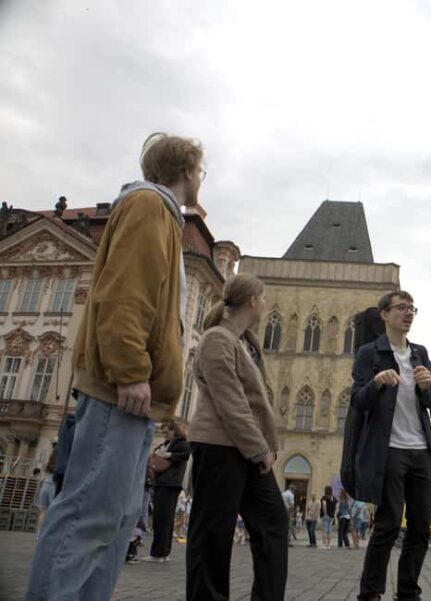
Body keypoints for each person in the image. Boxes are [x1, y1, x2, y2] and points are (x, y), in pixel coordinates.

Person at [25, 132, 201, 601]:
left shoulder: (160, 212)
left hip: (135, 398)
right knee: (89, 515)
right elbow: (125, 293)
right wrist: (130, 370)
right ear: (186, 170)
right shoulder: (147, 206)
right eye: (199, 170)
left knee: (115, 522)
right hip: (119, 390)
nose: (200, 178)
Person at [186, 274, 288, 601]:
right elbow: (230, 402)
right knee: (213, 534)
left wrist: (262, 447)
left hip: (246, 449)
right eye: (264, 298)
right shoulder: (217, 338)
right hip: (219, 446)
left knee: (273, 524)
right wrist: (259, 450)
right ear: (253, 301)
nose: (266, 304)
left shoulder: (247, 342)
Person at [352, 291, 431, 601]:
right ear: (384, 314)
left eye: (412, 308)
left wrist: (428, 387)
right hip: (389, 448)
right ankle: (371, 591)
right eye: (401, 308)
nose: (409, 313)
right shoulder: (370, 353)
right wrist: (376, 383)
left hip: (421, 450)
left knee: (419, 527)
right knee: (389, 523)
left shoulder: (420, 353)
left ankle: (407, 591)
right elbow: (357, 401)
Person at [145, 418, 190, 562]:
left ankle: (159, 553)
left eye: (167, 431)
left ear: (174, 432)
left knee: (163, 518)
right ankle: (162, 552)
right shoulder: (167, 444)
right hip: (163, 483)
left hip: (169, 484)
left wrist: (168, 455)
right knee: (163, 518)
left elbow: (185, 455)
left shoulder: (181, 444)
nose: (164, 434)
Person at [33, 466, 55, 537]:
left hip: (44, 486)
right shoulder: (60, 465)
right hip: (53, 486)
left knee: (42, 512)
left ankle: (39, 535)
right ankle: (48, 534)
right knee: (52, 512)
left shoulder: (47, 466)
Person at [320, 485, 337, 549]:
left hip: (325, 515)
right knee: (329, 530)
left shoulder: (324, 497)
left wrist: (325, 513)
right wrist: (333, 514)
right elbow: (336, 507)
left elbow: (324, 505)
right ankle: (328, 545)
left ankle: (324, 545)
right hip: (331, 516)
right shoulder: (333, 498)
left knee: (324, 530)